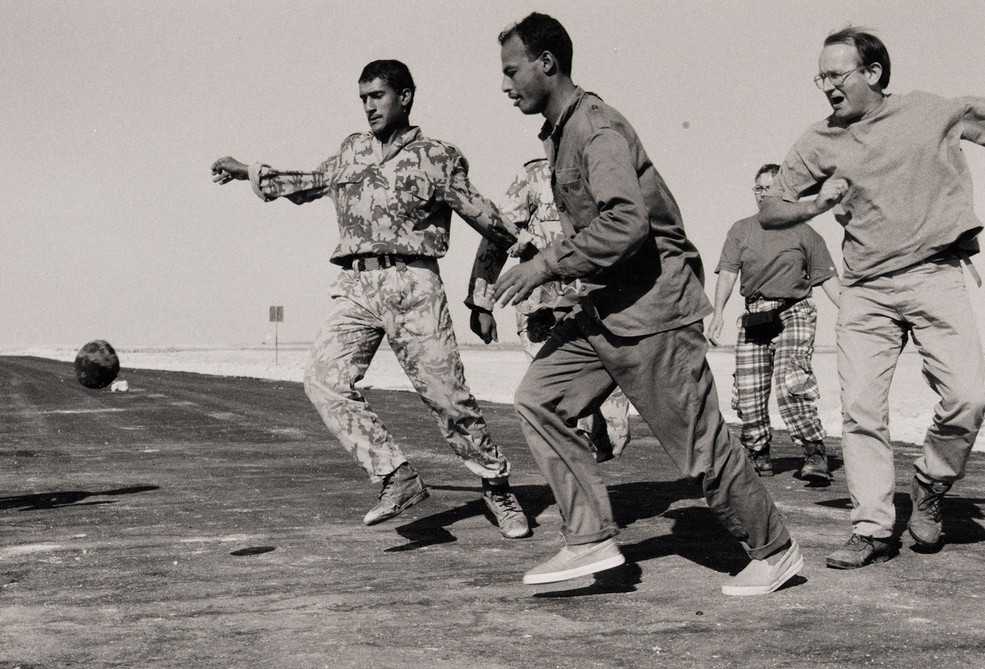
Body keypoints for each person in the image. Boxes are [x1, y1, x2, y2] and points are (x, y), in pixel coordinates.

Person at [488, 13, 802, 595]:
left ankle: (774, 550)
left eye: (511, 71)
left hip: (653, 312)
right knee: (539, 397)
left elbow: (627, 222)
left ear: (547, 63)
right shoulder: (562, 132)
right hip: (605, 308)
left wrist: (545, 264)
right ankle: (589, 539)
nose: (505, 86)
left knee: (699, 447)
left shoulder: (596, 129)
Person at [210, 60, 531, 539]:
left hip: (413, 285)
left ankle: (495, 484)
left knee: (449, 400)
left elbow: (492, 222)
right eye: (362, 98)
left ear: (405, 96)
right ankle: (395, 475)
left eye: (377, 96)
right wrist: (249, 172)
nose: (368, 106)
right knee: (322, 378)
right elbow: (309, 183)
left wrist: (518, 277)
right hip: (357, 286)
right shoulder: (352, 152)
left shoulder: (437, 156)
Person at [759, 28, 985, 569]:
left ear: (873, 73)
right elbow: (772, 210)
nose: (827, 87)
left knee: (968, 398)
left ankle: (931, 485)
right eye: (821, 77)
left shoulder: (931, 112)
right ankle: (872, 527)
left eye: (838, 75)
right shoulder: (818, 140)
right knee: (859, 411)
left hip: (935, 275)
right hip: (865, 290)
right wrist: (815, 206)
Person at [468, 157, 632, 462]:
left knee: (614, 430)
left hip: (600, 310)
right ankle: (581, 491)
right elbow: (498, 234)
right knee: (555, 407)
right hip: (543, 312)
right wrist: (482, 302)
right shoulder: (534, 176)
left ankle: (587, 476)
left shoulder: (608, 174)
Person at [708, 164, 840, 481]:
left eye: (770, 188)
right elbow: (728, 272)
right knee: (749, 390)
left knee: (791, 382)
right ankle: (758, 454)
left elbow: (828, 280)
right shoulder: (741, 230)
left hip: (794, 310)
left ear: (785, 193)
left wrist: (853, 315)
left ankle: (814, 454)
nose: (764, 194)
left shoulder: (806, 232)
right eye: (759, 188)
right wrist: (717, 313)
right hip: (755, 313)